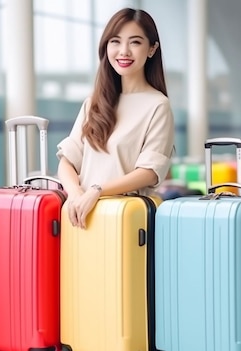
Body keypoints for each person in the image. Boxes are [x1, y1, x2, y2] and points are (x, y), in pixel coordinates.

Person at [56, 8, 175, 228]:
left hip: (125, 222)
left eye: (135, 42)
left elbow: (149, 173)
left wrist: (97, 190)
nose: (124, 51)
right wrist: (75, 194)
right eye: (115, 41)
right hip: (81, 218)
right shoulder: (94, 102)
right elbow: (67, 161)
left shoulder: (158, 105)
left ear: (152, 49)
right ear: (106, 47)